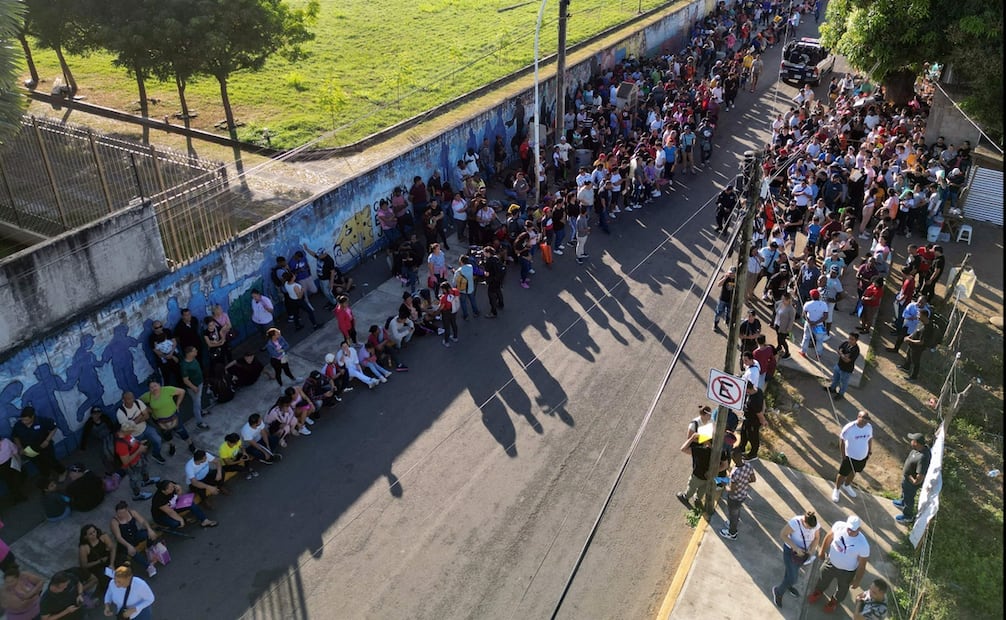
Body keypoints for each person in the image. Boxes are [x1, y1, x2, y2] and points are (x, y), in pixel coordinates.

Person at [808, 515, 871, 614]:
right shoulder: (839, 526)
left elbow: (862, 565)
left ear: (859, 529)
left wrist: (857, 580)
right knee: (822, 577)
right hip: (831, 562)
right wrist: (822, 550)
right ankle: (818, 592)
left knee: (842, 589)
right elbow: (829, 537)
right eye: (849, 528)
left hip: (847, 572)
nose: (849, 532)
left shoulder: (863, 545)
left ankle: (834, 602)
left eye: (853, 530)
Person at [772, 510, 822, 607]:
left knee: (791, 572)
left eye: (812, 528)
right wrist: (795, 548)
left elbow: (816, 538)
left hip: (803, 554)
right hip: (791, 552)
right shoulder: (794, 523)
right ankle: (778, 591)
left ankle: (788, 585)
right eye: (808, 527)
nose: (810, 530)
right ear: (804, 521)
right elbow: (783, 534)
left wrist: (811, 550)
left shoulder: (814, 525)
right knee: (793, 578)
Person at [139, 381, 195, 457]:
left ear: (159, 385)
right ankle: (172, 446)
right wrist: (148, 409)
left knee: (181, 431)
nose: (154, 388)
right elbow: (139, 402)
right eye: (151, 387)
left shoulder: (167, 390)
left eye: (155, 386)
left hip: (174, 417)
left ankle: (190, 444)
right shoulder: (147, 396)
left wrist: (177, 405)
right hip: (160, 421)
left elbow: (182, 391)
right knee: (166, 435)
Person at [11, 406, 66, 480]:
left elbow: (54, 428)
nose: (24, 422)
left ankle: (62, 472)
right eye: (22, 420)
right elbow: (15, 436)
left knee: (51, 461)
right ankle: (47, 477)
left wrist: (47, 440)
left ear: (32, 417)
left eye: (26, 420)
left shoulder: (42, 421)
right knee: (39, 465)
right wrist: (20, 447)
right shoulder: (18, 425)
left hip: (44, 447)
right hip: (29, 450)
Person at [109, 501, 159, 578]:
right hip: (125, 541)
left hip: (135, 535)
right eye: (118, 513)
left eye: (122, 513)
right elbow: (118, 537)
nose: (120, 515)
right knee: (132, 551)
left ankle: (149, 548)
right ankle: (148, 566)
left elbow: (143, 521)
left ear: (127, 510)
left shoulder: (132, 513)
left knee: (150, 534)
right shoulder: (114, 521)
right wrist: (128, 545)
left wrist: (149, 529)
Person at [832, 411, 873, 503]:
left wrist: (869, 450)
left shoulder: (869, 427)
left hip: (862, 457)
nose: (866, 421)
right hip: (849, 456)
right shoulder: (849, 428)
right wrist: (843, 455)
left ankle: (846, 485)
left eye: (867, 419)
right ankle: (836, 489)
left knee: (854, 472)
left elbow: (870, 438)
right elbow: (842, 440)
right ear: (858, 417)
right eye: (864, 418)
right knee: (842, 474)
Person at [116, 392, 165, 465]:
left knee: (158, 440)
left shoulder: (138, 402)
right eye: (129, 399)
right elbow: (128, 428)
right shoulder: (120, 413)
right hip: (134, 435)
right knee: (138, 450)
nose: (132, 400)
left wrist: (133, 421)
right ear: (123, 400)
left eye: (132, 398)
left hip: (145, 428)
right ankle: (143, 461)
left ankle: (156, 454)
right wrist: (140, 416)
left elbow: (147, 416)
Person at [893, 433, 931, 525]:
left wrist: (913, 481)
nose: (911, 441)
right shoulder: (918, 449)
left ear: (916, 443)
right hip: (907, 480)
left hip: (911, 483)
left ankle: (908, 516)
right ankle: (902, 502)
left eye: (912, 440)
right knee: (905, 493)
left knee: (909, 499)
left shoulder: (923, 457)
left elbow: (920, 475)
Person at [719, 451, 757, 540]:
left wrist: (724, 484)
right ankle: (732, 523)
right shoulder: (748, 465)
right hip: (743, 494)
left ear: (734, 459)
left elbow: (731, 491)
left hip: (734, 498)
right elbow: (753, 479)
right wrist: (743, 483)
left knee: (733, 514)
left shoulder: (734, 473)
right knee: (736, 511)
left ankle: (732, 533)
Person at [113, 427, 157, 502]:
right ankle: (137, 495)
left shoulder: (127, 435)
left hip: (139, 459)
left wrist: (139, 443)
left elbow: (132, 442)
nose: (132, 431)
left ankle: (146, 481)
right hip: (132, 466)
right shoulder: (120, 444)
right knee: (134, 479)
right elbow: (126, 461)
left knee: (144, 469)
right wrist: (139, 450)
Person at [151, 480, 216, 529]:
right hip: (162, 515)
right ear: (164, 491)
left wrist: (179, 489)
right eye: (170, 489)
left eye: (173, 486)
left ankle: (204, 520)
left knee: (191, 504)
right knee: (176, 523)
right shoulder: (158, 499)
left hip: (173, 506)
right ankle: (183, 519)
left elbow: (178, 490)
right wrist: (181, 519)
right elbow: (170, 512)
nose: (173, 489)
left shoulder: (171, 486)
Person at [78, 524, 114, 593]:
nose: (94, 534)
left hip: (107, 559)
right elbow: (84, 565)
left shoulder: (103, 536)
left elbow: (112, 549)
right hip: (96, 566)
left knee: (122, 560)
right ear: (85, 537)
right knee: (105, 577)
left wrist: (112, 564)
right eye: (90, 534)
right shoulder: (84, 548)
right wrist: (98, 561)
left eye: (94, 531)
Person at [180, 346, 210, 430]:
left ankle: (201, 411)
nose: (196, 351)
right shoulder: (184, 366)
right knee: (196, 403)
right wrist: (193, 387)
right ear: (189, 353)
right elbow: (185, 380)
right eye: (194, 350)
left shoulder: (193, 359)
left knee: (199, 400)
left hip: (199, 383)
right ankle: (199, 422)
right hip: (194, 387)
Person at [736, 381, 766, 460]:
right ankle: (741, 448)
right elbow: (763, 402)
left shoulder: (754, 401)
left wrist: (763, 421)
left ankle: (753, 454)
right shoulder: (758, 390)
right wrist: (763, 411)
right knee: (743, 433)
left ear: (748, 389)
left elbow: (759, 413)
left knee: (753, 437)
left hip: (753, 422)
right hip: (747, 419)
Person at [900, 308, 933, 380]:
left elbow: (921, 342)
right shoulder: (921, 322)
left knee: (915, 361)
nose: (917, 316)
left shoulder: (927, 328)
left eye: (919, 315)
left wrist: (909, 340)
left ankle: (913, 376)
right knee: (908, 354)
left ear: (924, 316)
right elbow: (915, 331)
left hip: (918, 348)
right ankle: (906, 367)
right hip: (912, 344)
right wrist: (909, 337)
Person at [827, 332, 861, 399]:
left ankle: (840, 394)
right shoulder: (845, 343)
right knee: (835, 378)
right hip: (839, 365)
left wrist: (841, 354)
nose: (850, 340)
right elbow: (838, 350)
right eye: (849, 338)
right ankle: (832, 389)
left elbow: (847, 360)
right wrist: (844, 355)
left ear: (856, 340)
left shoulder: (856, 350)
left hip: (846, 370)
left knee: (843, 383)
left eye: (852, 339)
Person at [800, 289, 829, 358]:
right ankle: (818, 354)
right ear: (819, 296)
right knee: (819, 340)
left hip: (809, 324)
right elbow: (825, 316)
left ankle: (803, 352)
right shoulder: (824, 304)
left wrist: (810, 322)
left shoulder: (807, 304)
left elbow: (803, 315)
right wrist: (816, 322)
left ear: (811, 296)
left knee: (806, 337)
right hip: (819, 325)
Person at [772, 292, 797, 358]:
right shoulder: (780, 304)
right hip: (777, 324)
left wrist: (788, 329)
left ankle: (787, 352)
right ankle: (779, 346)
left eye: (784, 300)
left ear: (788, 300)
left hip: (784, 327)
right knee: (778, 336)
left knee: (782, 340)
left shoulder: (791, 309)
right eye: (782, 299)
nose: (782, 301)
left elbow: (791, 320)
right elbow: (776, 305)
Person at [713, 266, 736, 332]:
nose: (731, 275)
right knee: (719, 312)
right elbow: (718, 284)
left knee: (729, 312)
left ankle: (727, 321)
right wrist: (725, 278)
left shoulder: (736, 279)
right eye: (730, 273)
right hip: (722, 299)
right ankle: (715, 324)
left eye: (732, 273)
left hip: (731, 300)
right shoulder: (725, 277)